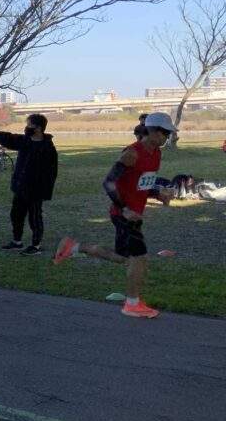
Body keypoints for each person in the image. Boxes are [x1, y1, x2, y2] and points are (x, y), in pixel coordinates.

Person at [54, 112, 176, 319]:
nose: (167, 137)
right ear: (153, 131)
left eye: (168, 133)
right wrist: (124, 208)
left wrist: (158, 194)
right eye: (165, 133)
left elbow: (140, 184)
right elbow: (108, 183)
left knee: (124, 258)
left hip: (135, 214)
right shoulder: (132, 153)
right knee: (139, 257)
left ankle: (74, 247)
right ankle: (132, 304)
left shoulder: (156, 153)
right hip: (123, 214)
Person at [0, 113, 59, 255]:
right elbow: (7, 138)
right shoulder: (25, 141)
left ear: (38, 128)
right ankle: (17, 242)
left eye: (30, 125)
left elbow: (51, 172)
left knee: (34, 218)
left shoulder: (48, 148)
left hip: (36, 190)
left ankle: (36, 246)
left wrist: (45, 191)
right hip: (20, 188)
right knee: (16, 215)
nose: (27, 127)